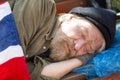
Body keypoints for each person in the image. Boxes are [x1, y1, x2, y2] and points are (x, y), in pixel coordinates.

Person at [8, 0, 116, 80]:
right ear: (70, 18)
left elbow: (32, 75)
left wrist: (80, 60)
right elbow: (9, 70)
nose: (78, 46)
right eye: (82, 33)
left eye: (87, 49)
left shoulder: (55, 52)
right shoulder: (40, 6)